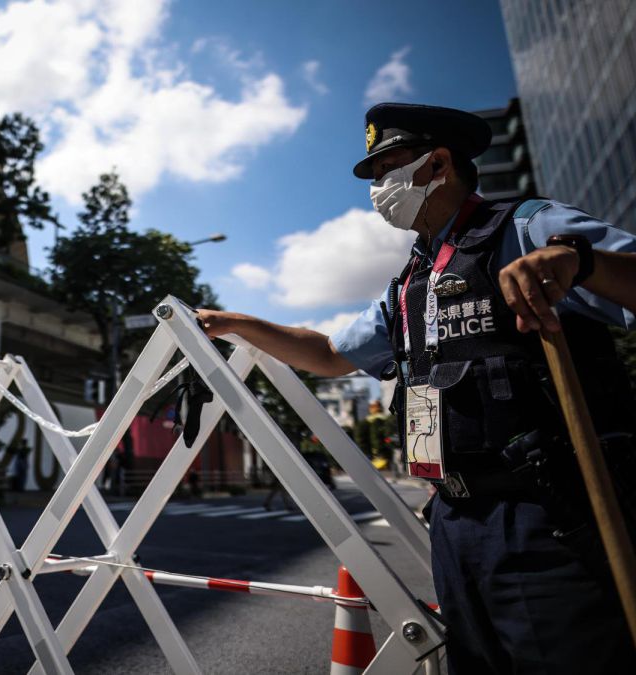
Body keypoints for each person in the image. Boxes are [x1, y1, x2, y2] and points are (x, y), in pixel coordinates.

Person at [198, 102, 636, 673]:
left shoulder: (528, 227)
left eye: (388, 169)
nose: (379, 187)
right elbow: (330, 354)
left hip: (548, 512)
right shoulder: (411, 282)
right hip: (455, 519)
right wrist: (237, 324)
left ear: (437, 165)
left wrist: (576, 261)